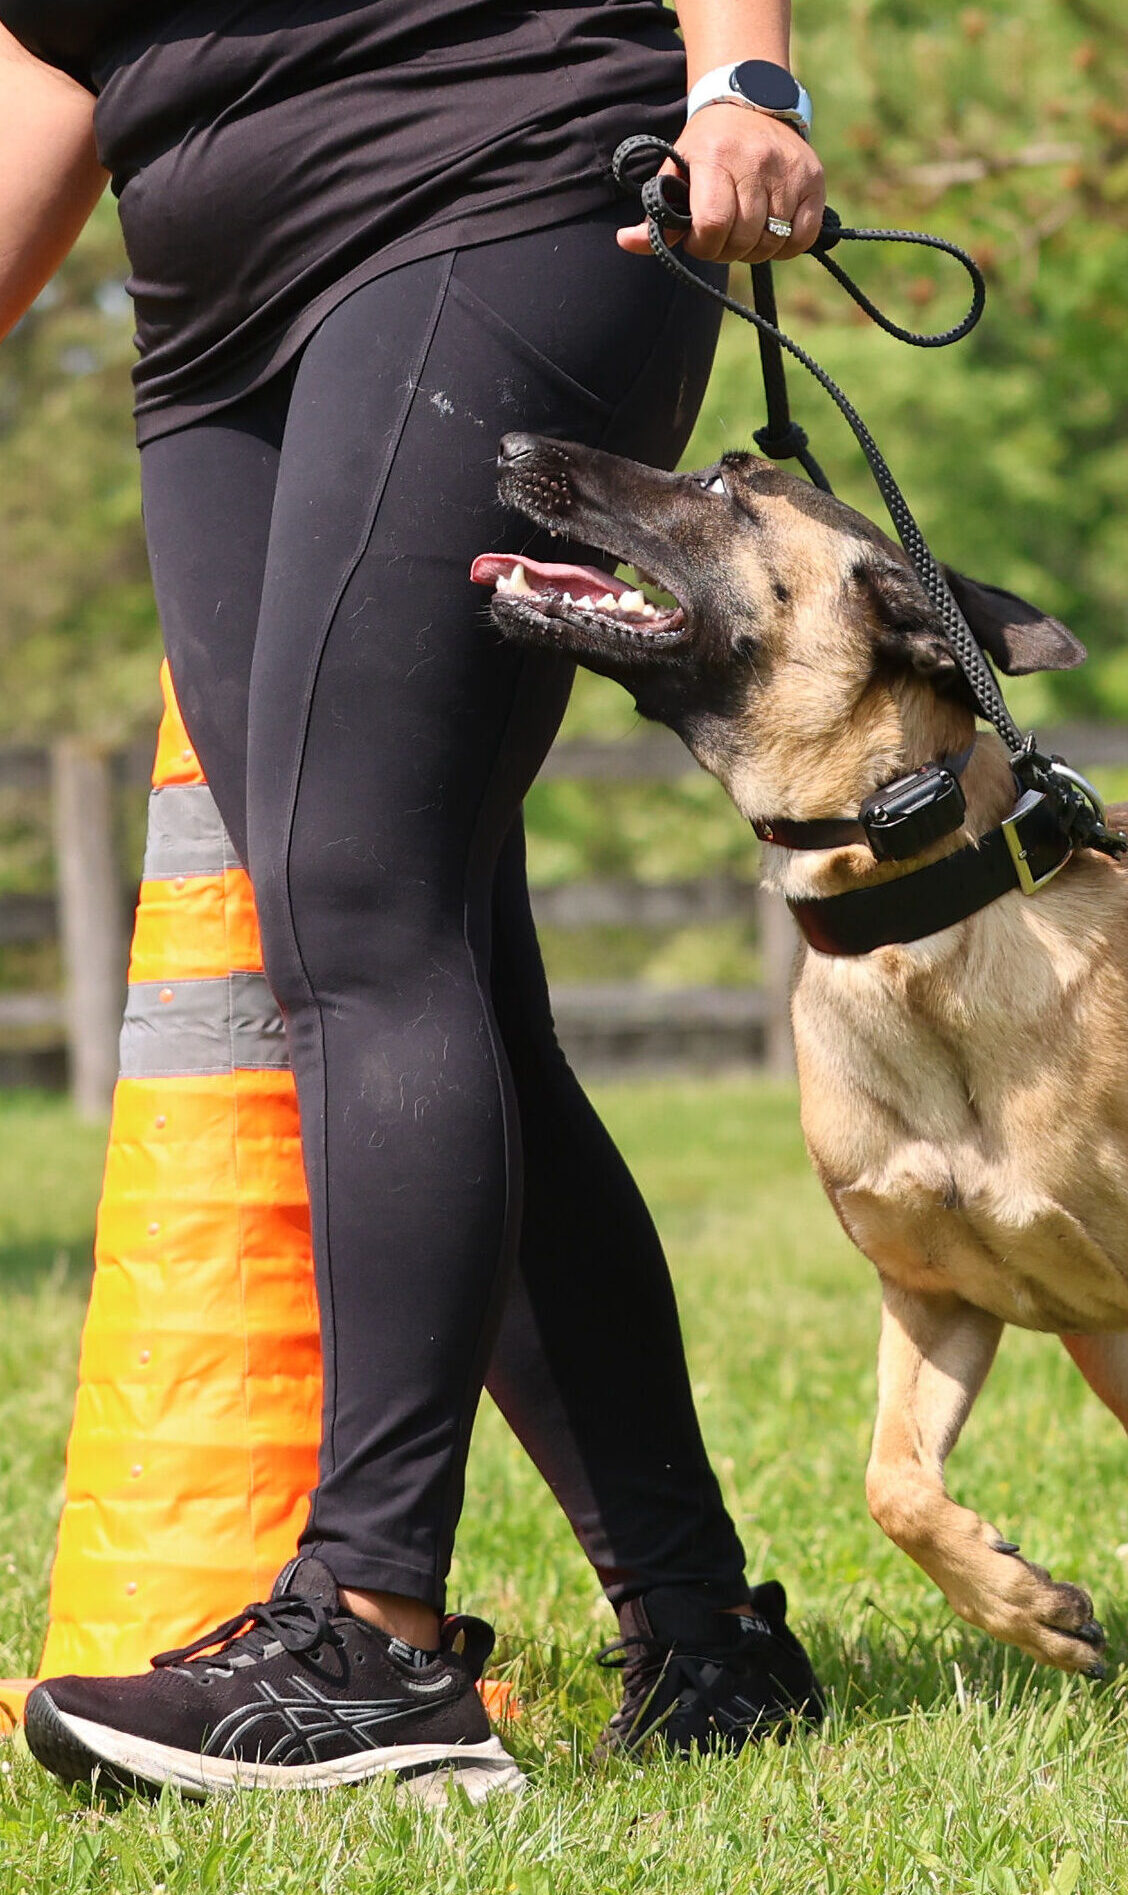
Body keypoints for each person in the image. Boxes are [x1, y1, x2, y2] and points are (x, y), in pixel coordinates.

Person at [2, 1, 826, 1796]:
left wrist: (741, 79)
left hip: (492, 161)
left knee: (365, 913)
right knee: (420, 948)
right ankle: (705, 1634)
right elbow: (52, 59)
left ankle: (374, 1640)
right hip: (207, 311)